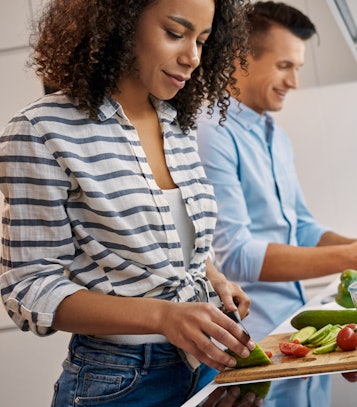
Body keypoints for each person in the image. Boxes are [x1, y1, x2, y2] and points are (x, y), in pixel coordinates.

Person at [0, 0, 261, 405]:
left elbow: (171, 242)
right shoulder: (40, 130)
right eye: (175, 33)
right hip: (119, 381)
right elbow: (29, 287)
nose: (192, 57)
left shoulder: (178, 123)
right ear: (119, 24)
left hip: (206, 361)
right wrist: (163, 316)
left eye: (203, 40)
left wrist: (214, 279)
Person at [196, 2, 357, 406]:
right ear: (240, 58)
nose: (295, 82)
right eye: (285, 65)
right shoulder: (212, 134)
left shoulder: (276, 138)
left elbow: (302, 227)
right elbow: (237, 257)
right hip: (256, 343)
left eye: (297, 68)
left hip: (295, 334)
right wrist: (354, 255)